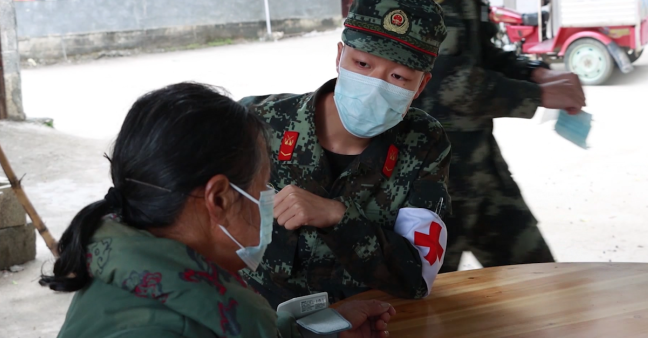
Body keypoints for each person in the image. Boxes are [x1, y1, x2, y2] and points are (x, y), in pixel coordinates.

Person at [40, 83, 396, 338]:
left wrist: (316, 330)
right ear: (220, 199)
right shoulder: (156, 327)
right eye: (262, 188)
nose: (268, 200)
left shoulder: (139, 269)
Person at [239, 0, 452, 308]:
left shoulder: (424, 143)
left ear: (421, 85)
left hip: (365, 321)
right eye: (363, 65)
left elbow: (416, 277)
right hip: (258, 321)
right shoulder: (258, 123)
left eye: (398, 77)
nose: (374, 87)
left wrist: (338, 216)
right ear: (340, 56)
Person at [384, 0, 586, 273]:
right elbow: (445, 80)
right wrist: (536, 93)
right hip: (428, 177)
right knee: (419, 304)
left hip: (478, 167)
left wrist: (535, 72)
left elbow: (478, 51)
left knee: (544, 287)